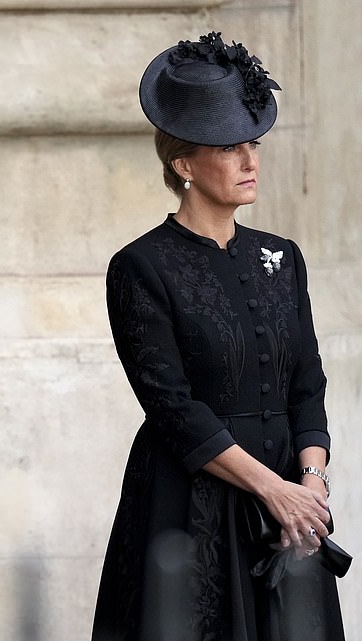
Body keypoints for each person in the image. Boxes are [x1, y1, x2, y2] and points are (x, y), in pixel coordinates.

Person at [91, 32, 345, 640]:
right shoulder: (140, 266)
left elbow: (308, 384)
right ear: (183, 163)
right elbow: (173, 407)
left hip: (290, 503)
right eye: (231, 148)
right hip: (192, 505)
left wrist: (308, 486)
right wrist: (272, 489)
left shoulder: (283, 257)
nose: (251, 161)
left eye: (253, 144)